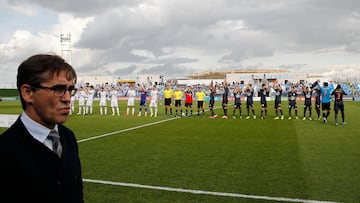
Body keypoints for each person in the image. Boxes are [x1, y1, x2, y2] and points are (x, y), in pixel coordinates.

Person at [0, 54, 83, 202]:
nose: (67, 98)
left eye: (70, 89)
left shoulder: (68, 137)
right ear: (28, 93)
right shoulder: (5, 150)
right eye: (59, 89)